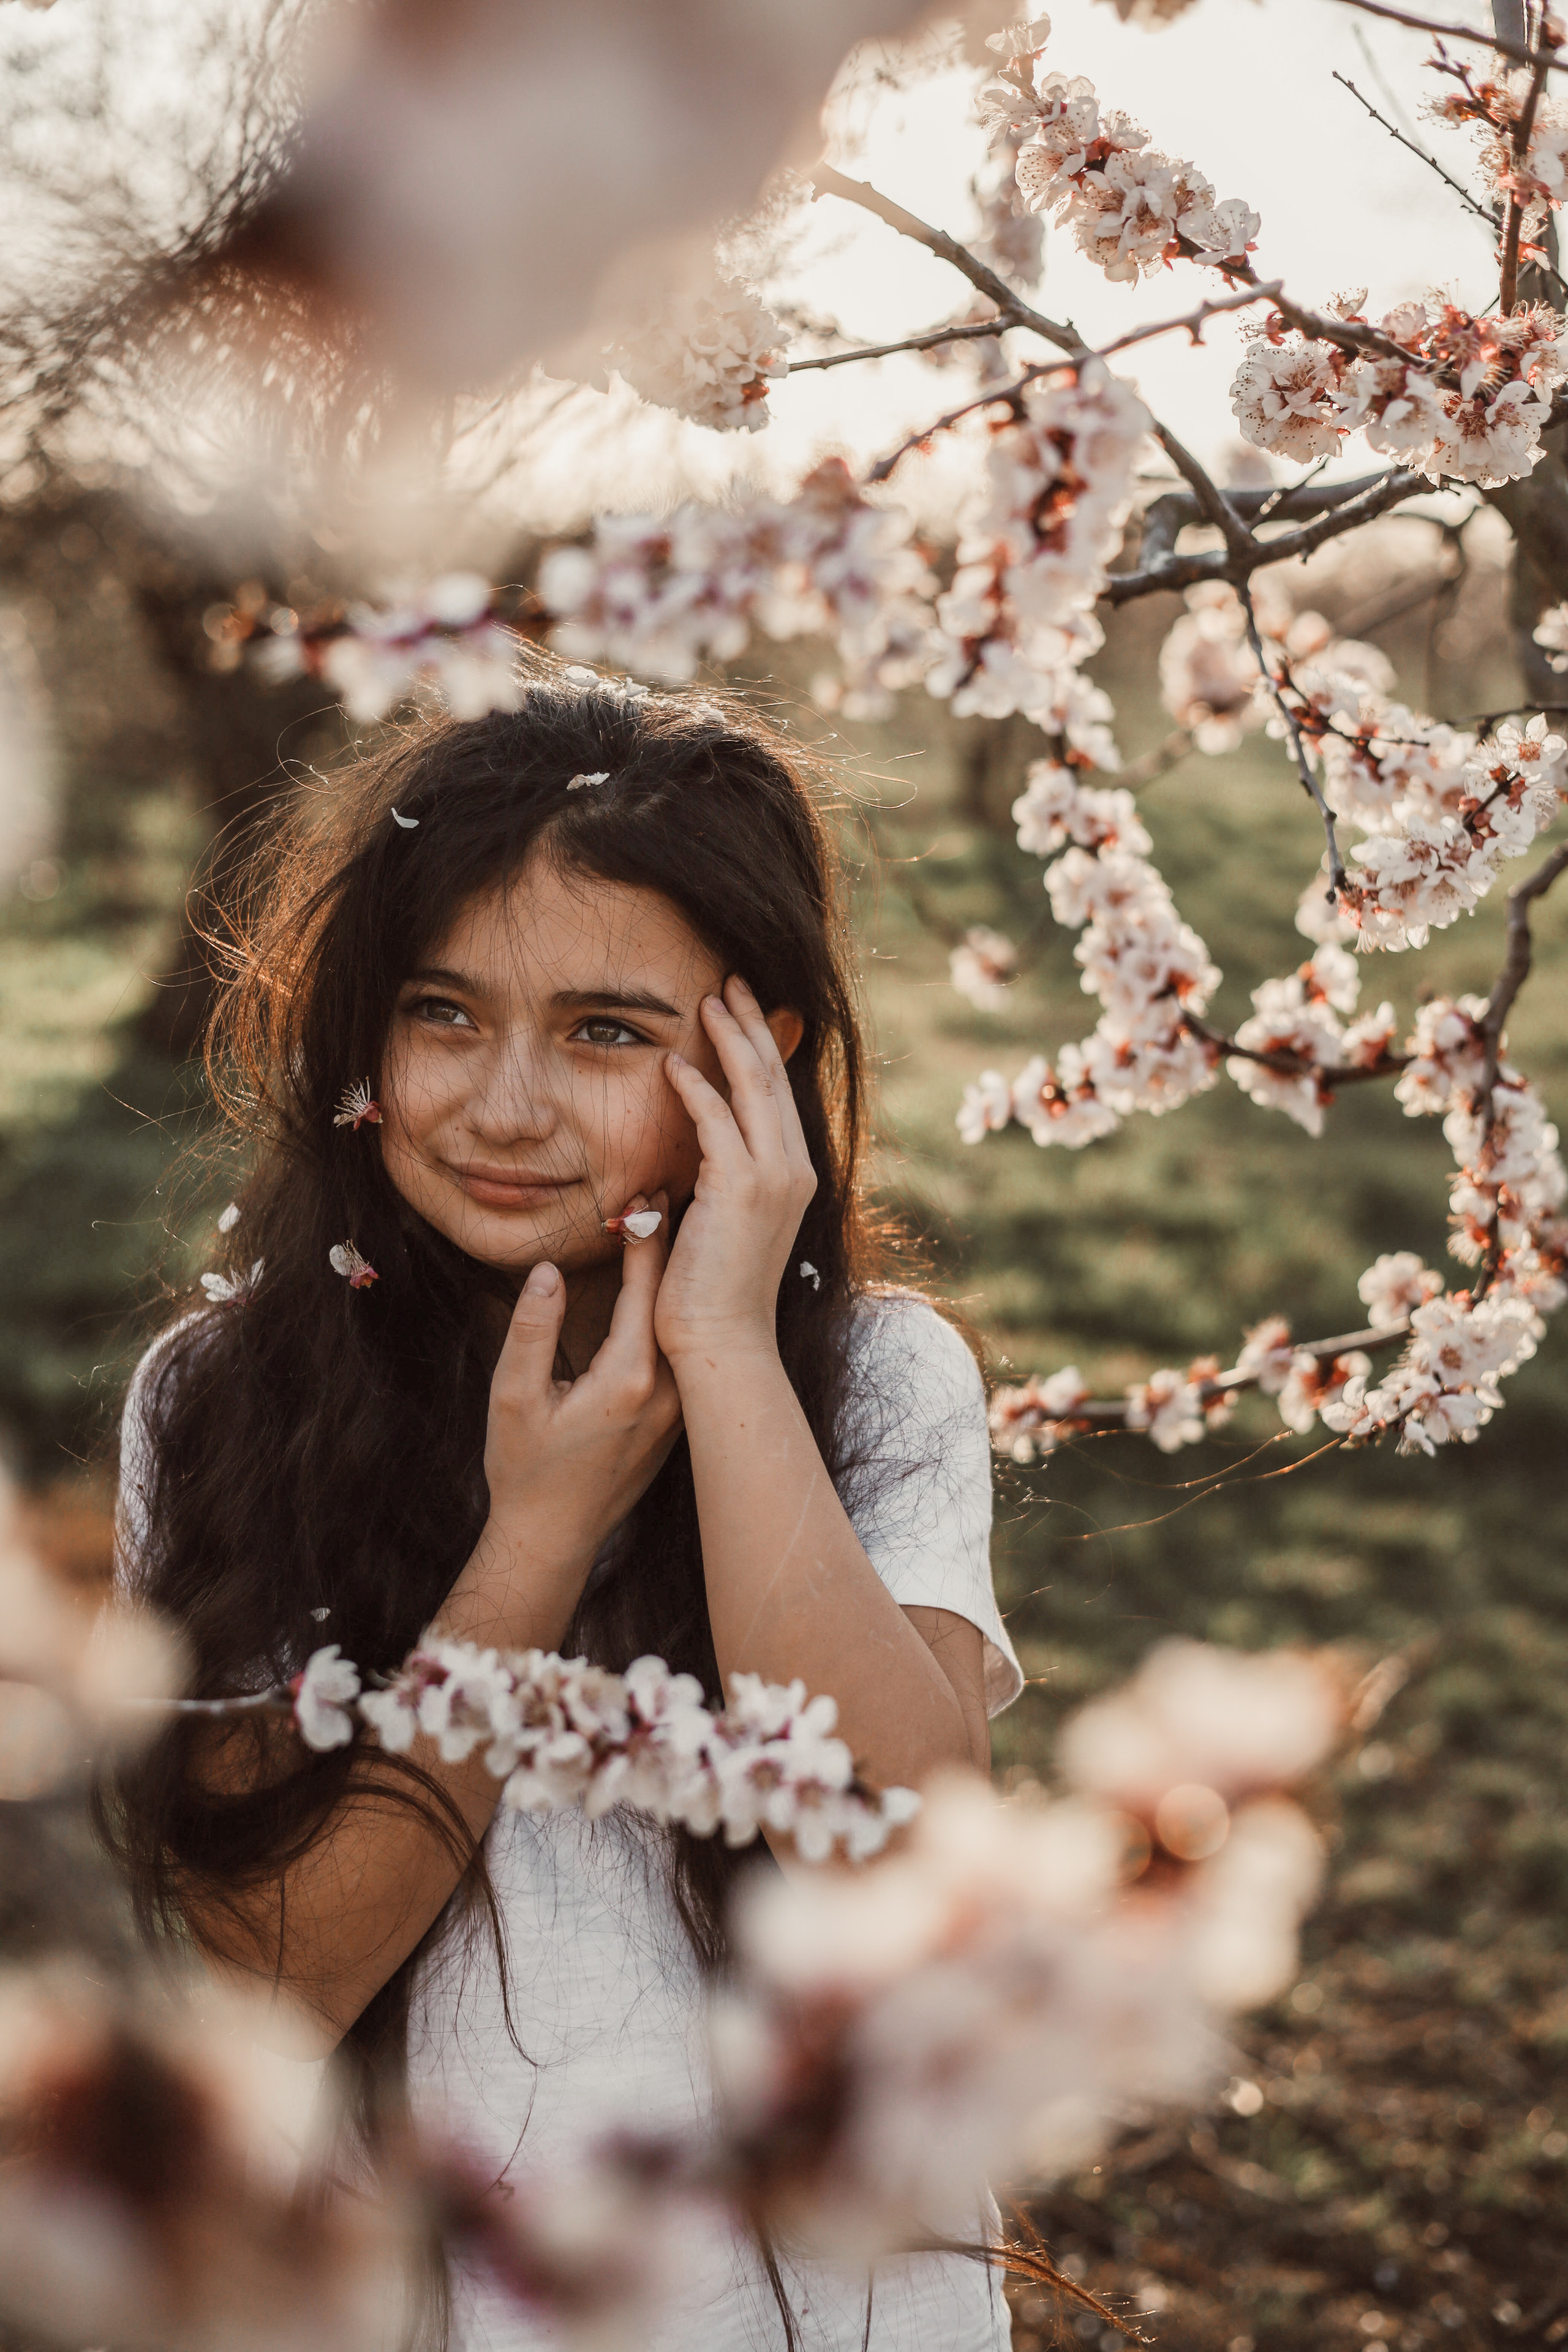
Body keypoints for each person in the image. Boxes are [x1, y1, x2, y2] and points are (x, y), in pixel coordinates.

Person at [105, 658, 1024, 2350]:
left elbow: (905, 1856)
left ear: (756, 1056)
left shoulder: (879, 1381)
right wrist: (530, 1541)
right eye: (443, 1012)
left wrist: (730, 1364)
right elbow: (268, 1979)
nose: (504, 1104)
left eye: (607, 1031)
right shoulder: (225, 1400)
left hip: (816, 2305)